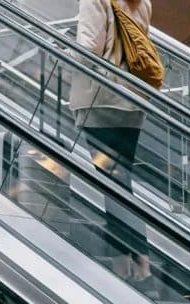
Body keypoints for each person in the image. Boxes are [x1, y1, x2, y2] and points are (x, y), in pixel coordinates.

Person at [69, 0, 153, 283]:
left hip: (101, 101)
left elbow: (89, 49)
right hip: (132, 102)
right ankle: (142, 260)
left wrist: (62, 51)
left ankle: (122, 265)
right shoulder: (143, 3)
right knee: (122, 182)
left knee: (111, 185)